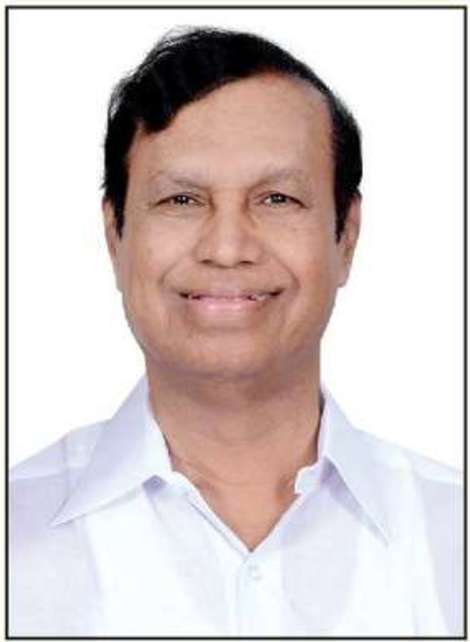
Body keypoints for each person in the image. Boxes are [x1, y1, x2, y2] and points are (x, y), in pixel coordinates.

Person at [9, 27, 463, 637]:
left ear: (347, 236)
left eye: (276, 199)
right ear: (115, 236)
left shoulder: (452, 536)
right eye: (181, 200)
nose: (227, 248)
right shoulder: (15, 535)